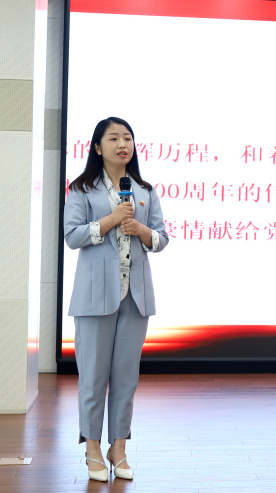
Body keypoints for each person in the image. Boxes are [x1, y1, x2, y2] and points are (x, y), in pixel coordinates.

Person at [63, 117, 168, 482]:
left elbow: (161, 239)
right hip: (95, 297)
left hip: (135, 298)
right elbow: (72, 236)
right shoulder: (81, 189)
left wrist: (140, 229)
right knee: (92, 378)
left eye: (127, 138)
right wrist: (111, 220)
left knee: (126, 378)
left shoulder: (144, 190)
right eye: (113, 138)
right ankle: (92, 447)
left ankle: (118, 448)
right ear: (97, 147)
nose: (122, 144)